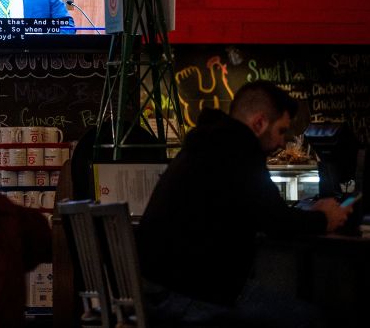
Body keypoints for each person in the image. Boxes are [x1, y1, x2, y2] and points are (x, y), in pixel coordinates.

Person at [137, 80, 351, 327]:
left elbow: (264, 213)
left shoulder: (208, 143)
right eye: (281, 131)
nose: (282, 143)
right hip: (190, 295)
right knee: (313, 319)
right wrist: (325, 218)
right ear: (259, 123)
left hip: (154, 291)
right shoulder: (238, 150)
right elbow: (278, 223)